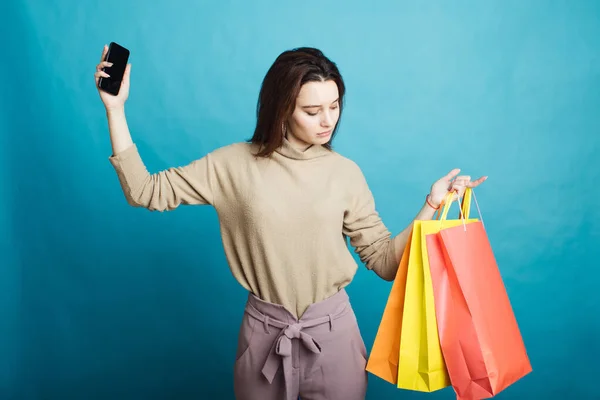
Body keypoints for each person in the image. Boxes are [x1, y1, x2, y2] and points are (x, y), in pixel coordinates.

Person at [94, 45, 486, 400]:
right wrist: (115, 110)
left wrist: (431, 204)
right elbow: (144, 191)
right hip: (263, 336)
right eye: (312, 111)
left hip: (334, 339)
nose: (327, 120)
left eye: (334, 106)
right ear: (282, 108)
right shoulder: (232, 164)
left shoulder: (344, 173)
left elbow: (385, 262)